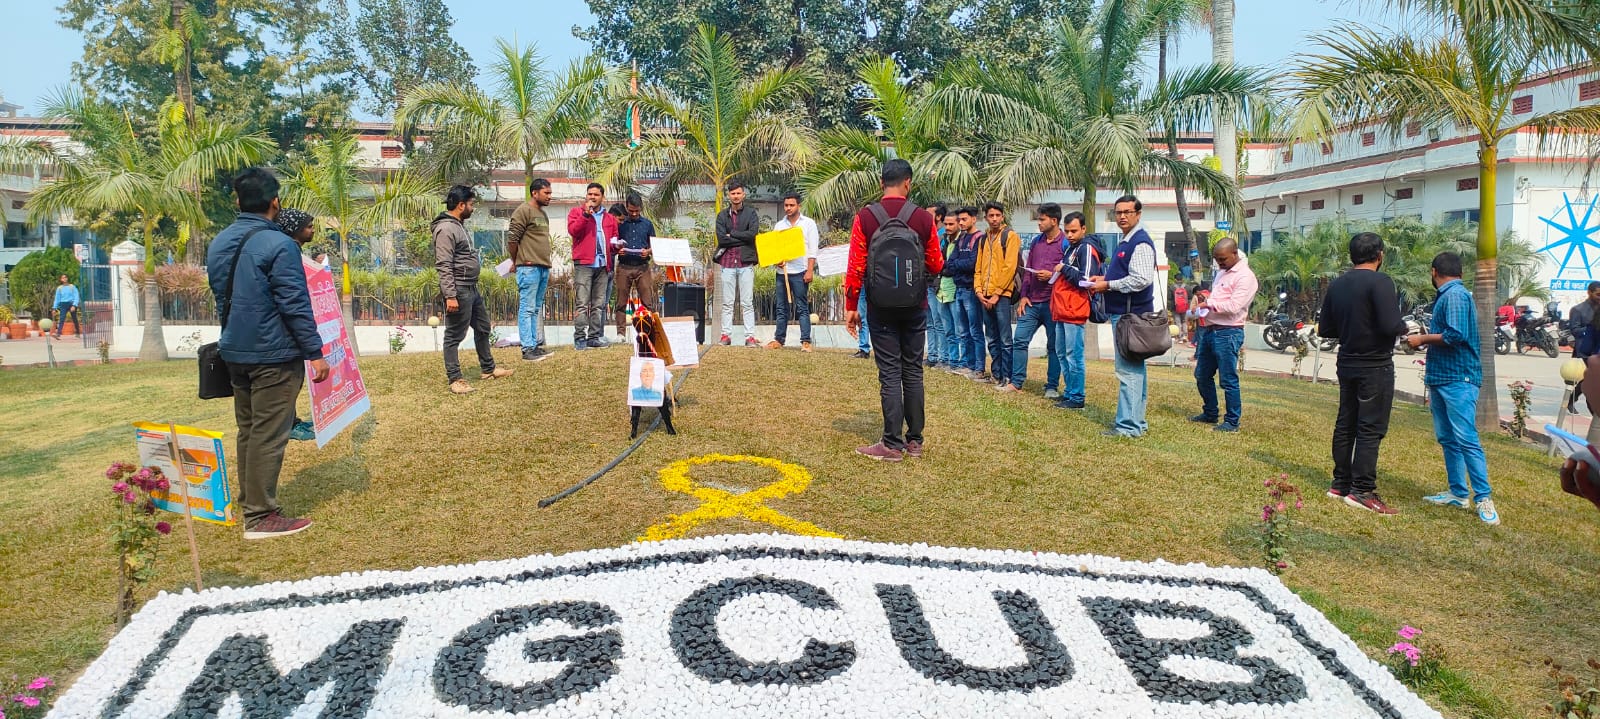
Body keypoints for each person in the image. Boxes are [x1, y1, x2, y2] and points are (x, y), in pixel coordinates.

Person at [205, 167, 329, 539]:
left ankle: (251, 502)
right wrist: (315, 353)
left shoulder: (219, 241)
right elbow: (294, 303)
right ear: (275, 202)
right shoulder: (280, 245)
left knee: (249, 431)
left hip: (235, 352)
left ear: (237, 201)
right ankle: (260, 516)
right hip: (273, 356)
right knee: (269, 434)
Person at [846, 158, 943, 461]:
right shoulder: (924, 219)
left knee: (889, 373)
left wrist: (852, 307)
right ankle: (914, 441)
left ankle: (891, 443)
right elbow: (937, 263)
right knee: (913, 371)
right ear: (908, 183)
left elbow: (856, 266)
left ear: (881, 183)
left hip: (880, 307)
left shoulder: (866, 217)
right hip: (916, 305)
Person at [1404, 252, 1499, 525]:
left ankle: (1483, 498)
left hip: (1459, 379)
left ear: (1434, 272)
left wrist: (1421, 338)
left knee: (1466, 438)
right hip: (1441, 376)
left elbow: (1455, 335)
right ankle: (1458, 493)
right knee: (1448, 438)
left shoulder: (1454, 295)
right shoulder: (1450, 294)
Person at [1317, 232, 1409, 515]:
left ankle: (1340, 483)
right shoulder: (1381, 282)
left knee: (1346, 423)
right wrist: (1406, 328)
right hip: (1375, 364)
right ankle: (1362, 490)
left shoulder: (1338, 284)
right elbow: (1391, 324)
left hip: (1347, 361)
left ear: (1351, 256)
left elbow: (1326, 330)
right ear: (1379, 255)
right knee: (1370, 428)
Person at [1088, 195, 1163, 438]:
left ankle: (1128, 427)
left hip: (1130, 317)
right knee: (1135, 370)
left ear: (1138, 214)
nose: (1122, 216)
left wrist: (1108, 285)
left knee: (1128, 371)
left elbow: (1141, 279)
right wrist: (1104, 280)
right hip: (1126, 314)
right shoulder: (1126, 241)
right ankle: (1136, 423)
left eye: (1127, 212)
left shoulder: (1139, 242)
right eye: (1118, 212)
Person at [437, 185, 515, 394]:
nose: (473, 208)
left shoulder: (458, 225)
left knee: (483, 327)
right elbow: (443, 264)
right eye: (471, 204)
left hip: (471, 288)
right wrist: (450, 295)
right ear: (461, 205)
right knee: (454, 335)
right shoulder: (446, 228)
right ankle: (455, 379)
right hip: (459, 290)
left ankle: (488, 369)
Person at [1190, 238, 1258, 433]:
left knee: (1228, 379)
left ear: (1235, 254)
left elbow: (1235, 307)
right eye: (1217, 259)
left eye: (1223, 259)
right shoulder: (1222, 273)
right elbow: (1219, 299)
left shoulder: (1245, 277)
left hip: (1229, 332)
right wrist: (1208, 299)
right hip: (1210, 330)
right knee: (1202, 375)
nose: (1220, 263)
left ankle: (1232, 421)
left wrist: (1209, 304)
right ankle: (1210, 412)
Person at [1008, 203, 1067, 396]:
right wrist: (1023, 296)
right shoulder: (1036, 242)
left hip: (1053, 303)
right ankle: (1016, 382)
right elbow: (1027, 273)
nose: (1039, 223)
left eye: (1042, 219)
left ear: (1054, 220)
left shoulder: (1066, 243)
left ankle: (1051, 386)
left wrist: (1051, 275)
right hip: (1032, 302)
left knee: (1054, 346)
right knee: (1020, 340)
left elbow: (1069, 274)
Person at [275, 208, 319, 443]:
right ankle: (287, 426)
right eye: (309, 226)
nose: (312, 230)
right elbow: (292, 297)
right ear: (295, 228)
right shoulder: (286, 250)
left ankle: (292, 420)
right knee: (287, 384)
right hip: (285, 332)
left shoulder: (291, 249)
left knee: (293, 382)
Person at [1050, 211, 1099, 409]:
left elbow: (1086, 279)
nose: (1069, 235)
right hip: (1062, 307)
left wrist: (1063, 268)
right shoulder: (1071, 248)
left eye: (1074, 231)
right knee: (1062, 353)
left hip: (1074, 308)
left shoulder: (1086, 248)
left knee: (1073, 354)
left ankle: (1077, 396)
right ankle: (1070, 392)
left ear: (1084, 229)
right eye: (1067, 231)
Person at [567, 182, 619, 350]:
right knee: (582, 302)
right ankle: (580, 338)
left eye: (596, 195)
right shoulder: (577, 212)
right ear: (586, 196)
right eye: (590, 194)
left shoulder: (609, 218)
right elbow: (574, 231)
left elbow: (613, 239)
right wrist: (586, 215)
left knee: (599, 304)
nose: (592, 197)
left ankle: (594, 337)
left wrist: (617, 246)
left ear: (602, 197)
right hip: (584, 264)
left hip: (603, 265)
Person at [508, 178, 555, 360]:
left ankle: (535, 346)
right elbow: (512, 240)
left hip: (543, 267)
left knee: (536, 309)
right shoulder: (523, 211)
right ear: (534, 193)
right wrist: (516, 260)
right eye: (546, 193)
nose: (550, 196)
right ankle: (527, 348)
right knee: (527, 309)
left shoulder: (542, 214)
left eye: (550, 193)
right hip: (528, 267)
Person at [974, 202, 1021, 386]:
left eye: (997, 215)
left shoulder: (1010, 236)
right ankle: (996, 374)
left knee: (1005, 338)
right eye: (990, 215)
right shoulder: (984, 239)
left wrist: (997, 293)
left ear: (1002, 216)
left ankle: (1007, 375)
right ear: (985, 217)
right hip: (984, 294)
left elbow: (1010, 267)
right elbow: (978, 268)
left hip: (1001, 295)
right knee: (991, 337)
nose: (994, 219)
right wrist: (979, 291)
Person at [768, 193, 819, 351]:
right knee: (781, 307)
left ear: (799, 206)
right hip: (782, 272)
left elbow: (812, 249)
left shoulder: (808, 224)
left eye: (792, 205)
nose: (788, 208)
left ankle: (805, 341)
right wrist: (777, 260)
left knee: (802, 307)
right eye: (786, 205)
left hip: (800, 271)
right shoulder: (779, 225)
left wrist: (810, 270)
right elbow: (774, 249)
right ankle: (779, 339)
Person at [715, 180, 760, 347]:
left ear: (743, 195)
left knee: (747, 302)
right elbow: (721, 239)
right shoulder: (722, 215)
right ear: (729, 195)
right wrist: (740, 238)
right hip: (727, 263)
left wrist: (731, 234)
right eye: (733, 193)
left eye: (738, 193)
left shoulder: (751, 213)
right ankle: (726, 335)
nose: (735, 196)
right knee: (727, 302)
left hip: (745, 262)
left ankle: (750, 337)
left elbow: (752, 235)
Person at [944, 207, 985, 378]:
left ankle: (979, 367)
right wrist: (957, 264)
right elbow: (949, 262)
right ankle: (966, 364)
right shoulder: (961, 239)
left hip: (971, 290)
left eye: (964, 219)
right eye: (959, 219)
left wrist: (956, 265)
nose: (961, 223)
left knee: (975, 331)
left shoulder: (979, 238)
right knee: (963, 331)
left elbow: (973, 263)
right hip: (959, 288)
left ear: (974, 219)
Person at [614, 191, 658, 324]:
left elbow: (655, 245)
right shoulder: (621, 223)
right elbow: (613, 242)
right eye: (631, 211)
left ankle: (649, 330)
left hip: (642, 267)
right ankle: (620, 334)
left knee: (647, 301)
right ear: (627, 207)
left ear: (641, 208)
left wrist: (648, 251)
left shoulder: (647, 224)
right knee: (621, 302)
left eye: (637, 211)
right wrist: (618, 250)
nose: (634, 214)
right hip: (624, 266)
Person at [934, 213, 963, 372]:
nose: (948, 227)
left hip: (955, 289)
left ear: (958, 224)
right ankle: (951, 361)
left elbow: (954, 265)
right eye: (946, 224)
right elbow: (937, 262)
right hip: (942, 290)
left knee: (960, 330)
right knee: (947, 330)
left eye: (951, 224)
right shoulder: (943, 240)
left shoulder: (961, 242)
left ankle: (961, 362)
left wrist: (946, 266)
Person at [925, 203, 949, 367]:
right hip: (926, 283)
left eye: (929, 214)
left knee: (938, 321)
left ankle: (943, 357)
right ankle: (932, 355)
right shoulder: (929, 234)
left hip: (937, 284)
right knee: (929, 322)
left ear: (938, 216)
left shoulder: (943, 236)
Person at [1567, 282, 1600, 358]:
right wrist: (1592, 329)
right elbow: (1575, 331)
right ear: (1589, 292)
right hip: (1585, 353)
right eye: (1598, 295)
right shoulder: (1577, 310)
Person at [51, 273, 81, 338]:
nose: (64, 279)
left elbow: (76, 296)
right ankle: (58, 334)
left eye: (65, 277)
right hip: (63, 304)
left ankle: (78, 332)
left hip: (71, 304)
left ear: (67, 278)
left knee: (74, 318)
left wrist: (74, 305)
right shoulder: (59, 288)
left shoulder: (72, 286)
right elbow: (57, 299)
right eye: (63, 278)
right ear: (61, 279)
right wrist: (54, 308)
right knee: (62, 319)